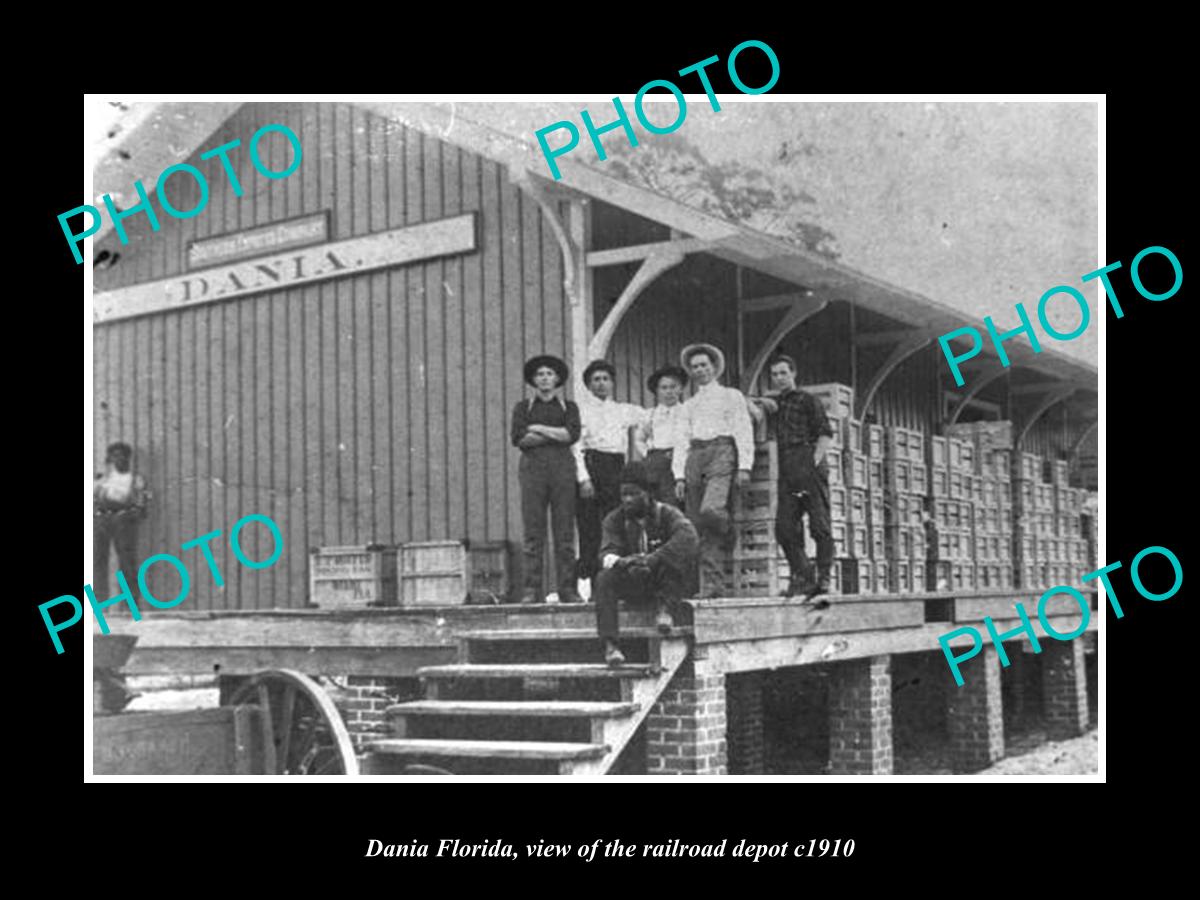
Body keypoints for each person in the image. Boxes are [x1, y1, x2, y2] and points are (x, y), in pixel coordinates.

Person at [594, 461, 699, 666]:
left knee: (674, 561)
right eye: (624, 494)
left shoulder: (667, 513)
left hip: (662, 582)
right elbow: (606, 553)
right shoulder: (614, 520)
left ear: (647, 493)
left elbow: (689, 537)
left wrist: (655, 558)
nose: (628, 500)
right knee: (604, 578)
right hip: (634, 580)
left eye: (633, 494)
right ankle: (611, 646)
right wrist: (625, 562)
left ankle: (665, 611)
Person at [672, 343, 755, 598]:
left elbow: (743, 429)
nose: (700, 370)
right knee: (698, 524)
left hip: (722, 450)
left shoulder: (731, 396)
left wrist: (744, 466)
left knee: (711, 510)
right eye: (695, 367)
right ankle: (713, 586)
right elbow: (681, 440)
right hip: (695, 456)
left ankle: (727, 530)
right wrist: (679, 475)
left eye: (704, 365)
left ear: (714, 368)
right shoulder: (688, 405)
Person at [759, 355, 835, 605]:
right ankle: (803, 576)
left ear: (793, 373)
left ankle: (823, 578)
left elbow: (825, 432)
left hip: (808, 460)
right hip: (786, 465)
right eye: (775, 374)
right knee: (784, 527)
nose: (779, 378)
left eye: (783, 373)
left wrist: (814, 460)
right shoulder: (775, 404)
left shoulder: (808, 400)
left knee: (819, 525)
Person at [511, 355, 582, 604]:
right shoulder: (523, 407)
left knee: (564, 534)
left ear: (558, 379)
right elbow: (520, 439)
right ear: (533, 379)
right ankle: (532, 590)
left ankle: (567, 589)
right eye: (540, 374)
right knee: (533, 533)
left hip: (562, 471)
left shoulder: (569, 407)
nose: (544, 378)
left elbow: (571, 435)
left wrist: (538, 428)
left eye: (549, 374)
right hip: (533, 472)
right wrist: (555, 434)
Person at [573, 360, 647, 594]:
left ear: (612, 382)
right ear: (588, 384)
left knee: (616, 526)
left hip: (616, 469)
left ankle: (615, 585)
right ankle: (595, 586)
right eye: (596, 379)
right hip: (592, 466)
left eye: (605, 379)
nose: (601, 383)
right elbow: (576, 446)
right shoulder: (581, 410)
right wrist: (583, 478)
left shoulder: (623, 410)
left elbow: (653, 419)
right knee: (590, 528)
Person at [94, 442, 151, 600]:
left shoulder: (136, 480)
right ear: (110, 458)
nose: (119, 459)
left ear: (128, 458)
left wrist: (129, 515)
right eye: (115, 456)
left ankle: (130, 603)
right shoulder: (102, 479)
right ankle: (99, 603)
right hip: (102, 521)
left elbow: (142, 506)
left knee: (127, 562)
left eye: (122, 456)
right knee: (98, 561)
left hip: (124, 522)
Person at [639, 365, 689, 506]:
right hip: (654, 464)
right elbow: (639, 439)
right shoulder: (650, 414)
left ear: (680, 389)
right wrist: (647, 453)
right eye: (664, 387)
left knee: (673, 504)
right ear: (657, 391)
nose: (669, 392)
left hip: (677, 463)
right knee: (652, 505)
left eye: (673, 387)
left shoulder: (686, 412)